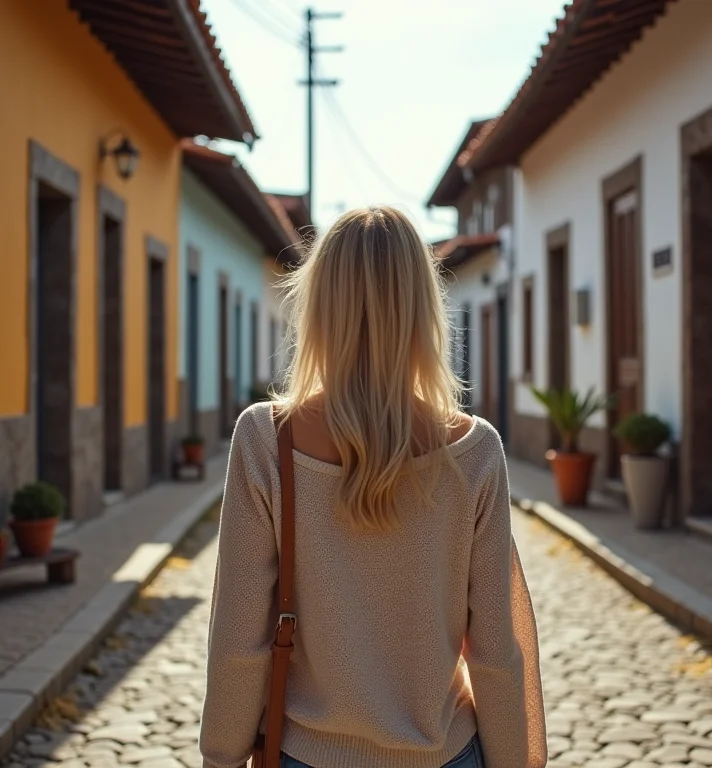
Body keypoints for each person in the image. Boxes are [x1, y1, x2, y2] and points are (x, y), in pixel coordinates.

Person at [199, 206, 547, 768]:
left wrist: (221, 756)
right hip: (444, 752)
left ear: (318, 306)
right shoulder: (475, 450)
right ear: (421, 309)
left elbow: (240, 640)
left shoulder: (267, 440)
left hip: (306, 754)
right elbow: (496, 650)